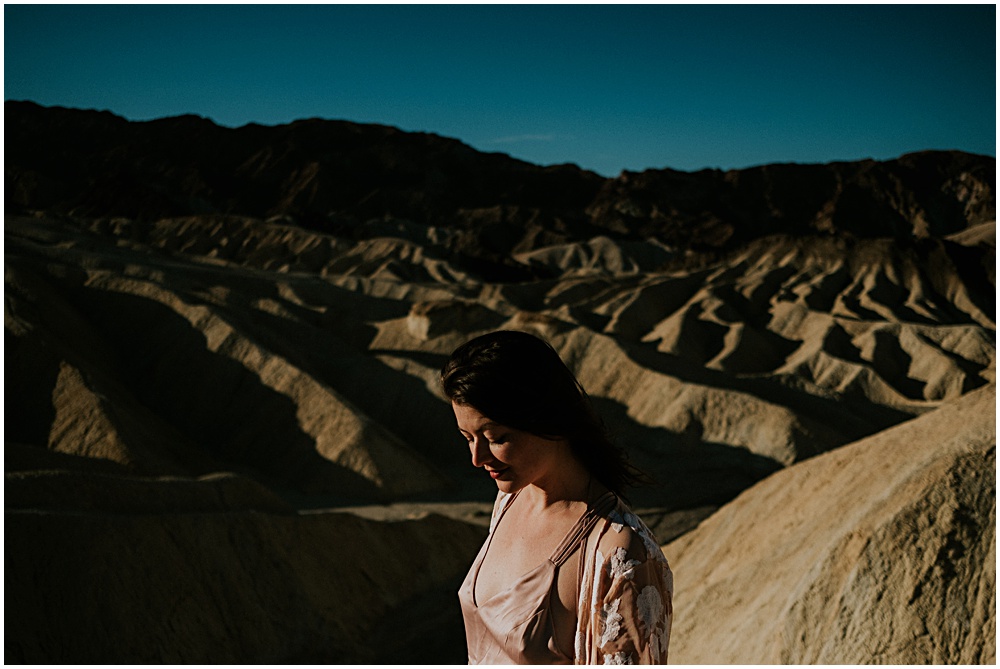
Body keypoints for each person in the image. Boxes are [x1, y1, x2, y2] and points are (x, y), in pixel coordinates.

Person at [441, 330, 673, 665]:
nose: (477, 458)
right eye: (467, 438)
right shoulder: (510, 499)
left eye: (495, 437)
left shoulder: (620, 554)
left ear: (549, 417)